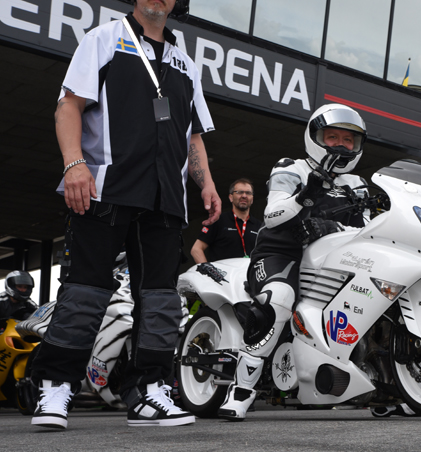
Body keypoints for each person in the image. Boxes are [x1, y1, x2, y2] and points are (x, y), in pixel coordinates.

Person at [30, 0, 221, 430]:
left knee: (161, 303)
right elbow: (69, 105)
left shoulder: (186, 64)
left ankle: (149, 391)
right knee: (85, 294)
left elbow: (192, 134)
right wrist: (74, 164)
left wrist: (206, 183)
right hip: (105, 190)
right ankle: (56, 385)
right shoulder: (103, 39)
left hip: (166, 200)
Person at [218, 103, 369, 421]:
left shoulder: (356, 183)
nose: (341, 145)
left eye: (348, 140)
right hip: (281, 254)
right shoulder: (292, 168)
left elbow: (368, 228)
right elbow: (273, 215)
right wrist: (304, 195)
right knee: (279, 298)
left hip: (332, 260)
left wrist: (332, 226)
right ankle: (241, 391)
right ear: (316, 137)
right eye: (333, 137)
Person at [191, 178, 262, 263]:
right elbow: (196, 249)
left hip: (249, 271)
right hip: (224, 271)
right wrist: (207, 269)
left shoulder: (260, 226)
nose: (244, 196)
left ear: (252, 199)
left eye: (248, 193)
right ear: (231, 197)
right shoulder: (218, 220)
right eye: (239, 192)